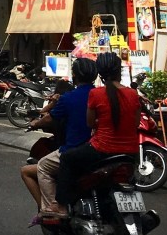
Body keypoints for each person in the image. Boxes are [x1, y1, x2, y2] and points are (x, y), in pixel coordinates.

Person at [54, 52, 140, 211]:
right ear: (118, 71)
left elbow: (90, 123)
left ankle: (61, 206)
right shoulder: (133, 94)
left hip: (102, 149)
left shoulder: (96, 94)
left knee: (66, 159)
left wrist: (101, 122)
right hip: (131, 153)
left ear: (99, 73)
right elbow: (135, 123)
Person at [21, 64, 95, 221]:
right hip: (100, 151)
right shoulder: (100, 95)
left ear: (75, 77)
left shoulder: (69, 99)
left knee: (42, 166)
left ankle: (52, 208)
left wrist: (35, 123)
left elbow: (48, 118)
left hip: (75, 151)